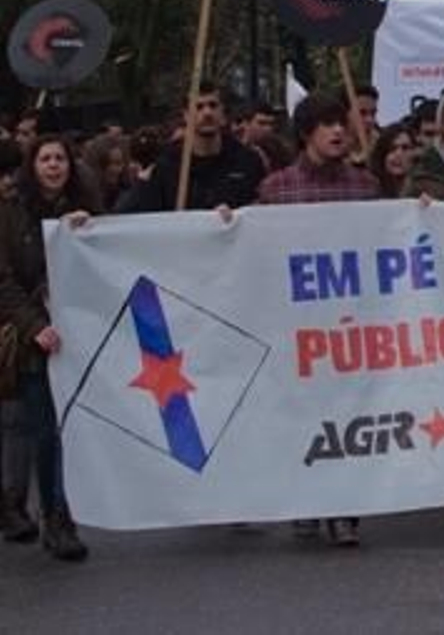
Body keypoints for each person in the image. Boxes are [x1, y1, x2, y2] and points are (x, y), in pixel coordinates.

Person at [257, 95, 380, 547]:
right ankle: (307, 498)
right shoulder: (276, 190)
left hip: (350, 324)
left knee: (348, 413)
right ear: (307, 132)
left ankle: (345, 507)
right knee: (304, 412)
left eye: (342, 125)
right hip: (298, 325)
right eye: (327, 125)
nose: (338, 133)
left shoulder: (366, 187)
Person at [0, 135, 98, 560]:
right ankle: (54, 516)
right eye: (45, 159)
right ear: (32, 165)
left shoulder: (85, 209)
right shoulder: (10, 213)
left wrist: (85, 233)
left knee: (71, 430)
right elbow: (3, 280)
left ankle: (60, 511)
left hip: (79, 332)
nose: (54, 166)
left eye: (60, 159)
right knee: (45, 429)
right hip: (37, 339)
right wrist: (33, 325)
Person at [119, 83, 266, 213]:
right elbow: (135, 216)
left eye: (213, 105)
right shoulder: (166, 163)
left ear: (223, 113)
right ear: (186, 115)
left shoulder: (247, 161)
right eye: (199, 106)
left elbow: (262, 209)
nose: (207, 113)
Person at [370, 124, 420, 199]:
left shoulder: (424, 191)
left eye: (405, 148)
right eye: (392, 148)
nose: (398, 154)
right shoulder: (370, 191)